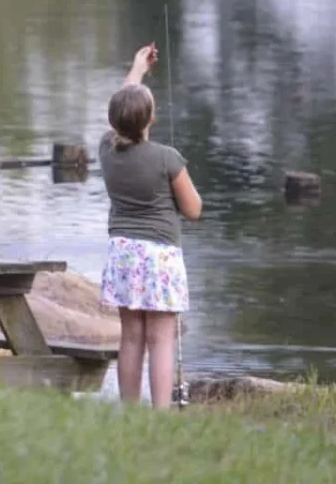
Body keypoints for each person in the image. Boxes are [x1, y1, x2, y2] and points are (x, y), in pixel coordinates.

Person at [99, 43, 202, 408]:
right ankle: (160, 415)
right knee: (161, 337)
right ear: (149, 120)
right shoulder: (167, 158)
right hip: (159, 257)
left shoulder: (106, 149)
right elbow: (193, 210)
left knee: (130, 338)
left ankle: (130, 411)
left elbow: (122, 106)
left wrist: (137, 68)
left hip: (124, 253)